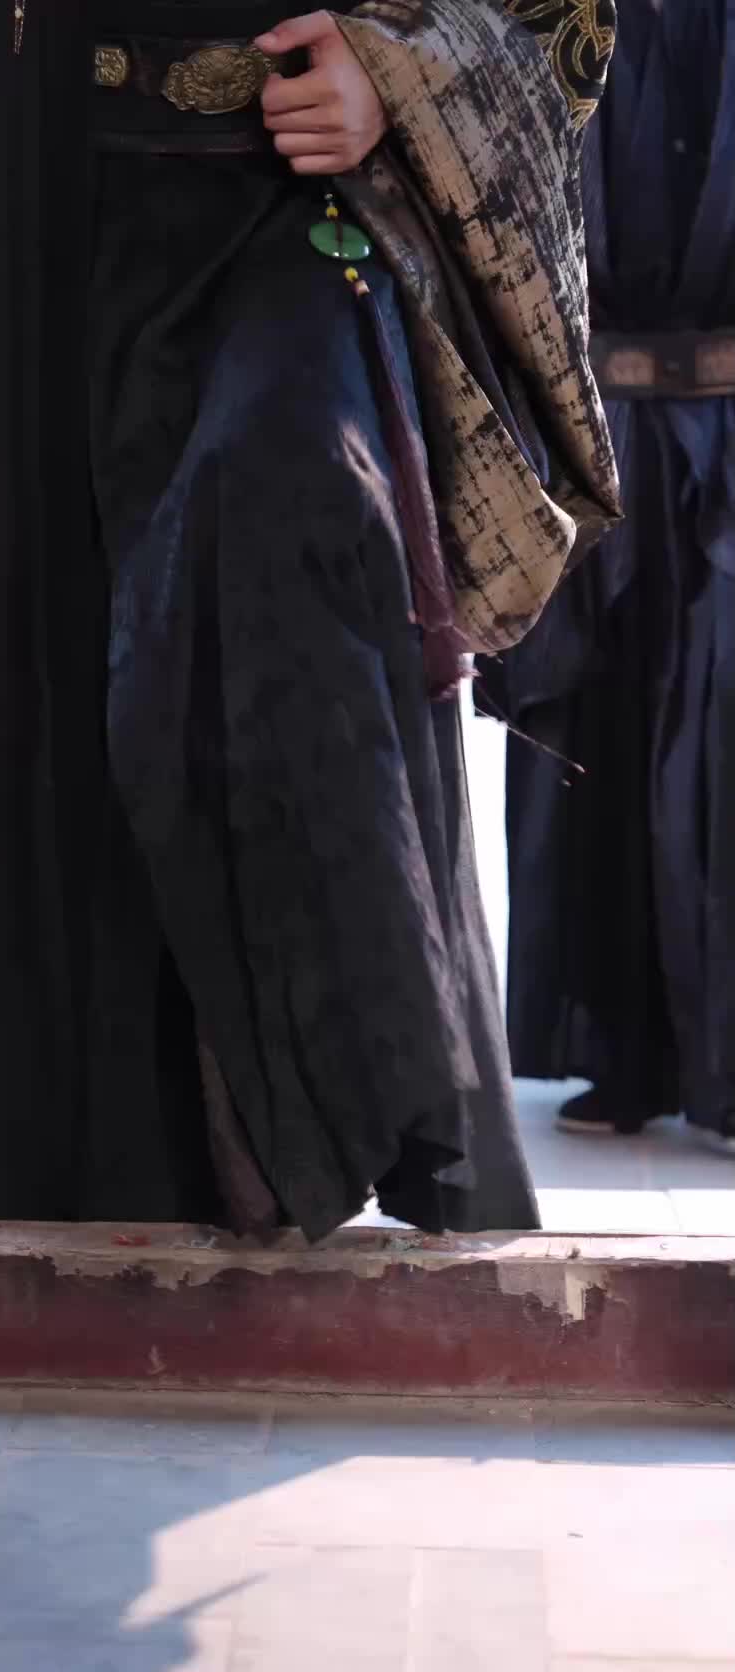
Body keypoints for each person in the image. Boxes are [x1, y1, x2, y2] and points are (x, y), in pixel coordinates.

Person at [0, 0, 619, 1240]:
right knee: (59, 645)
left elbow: (559, 16)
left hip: (297, 195)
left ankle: (349, 1111)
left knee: (292, 501)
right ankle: (96, 1163)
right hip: (50, 184)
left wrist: (394, 70)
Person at [478, 0, 735, 1154]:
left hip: (724, 441)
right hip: (594, 430)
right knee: (599, 729)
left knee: (719, 739)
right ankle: (619, 1048)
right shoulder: (558, 17)